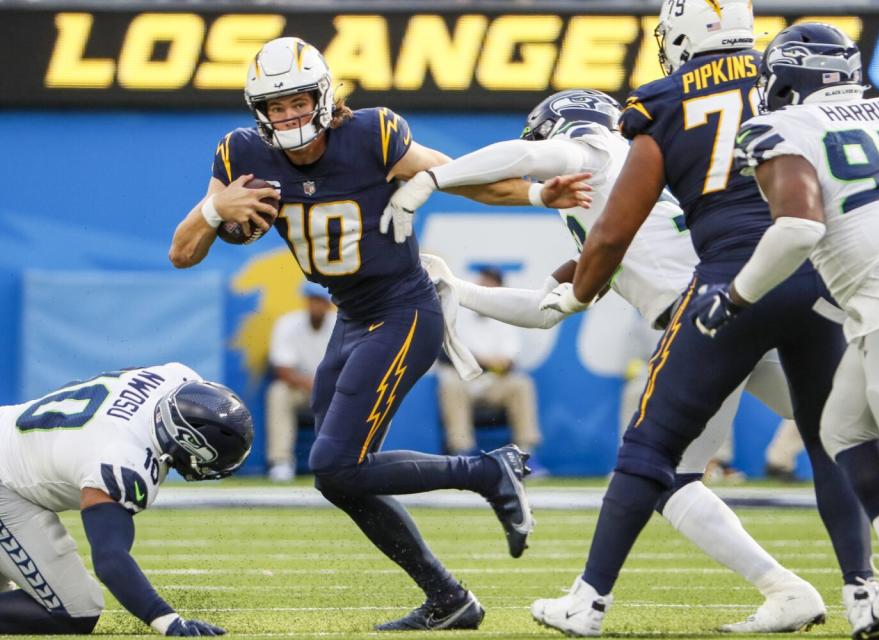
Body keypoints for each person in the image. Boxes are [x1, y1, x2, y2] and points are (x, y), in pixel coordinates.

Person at [167, 36, 585, 631]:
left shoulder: (371, 135)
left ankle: (489, 471)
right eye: (274, 104)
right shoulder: (241, 155)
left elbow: (463, 178)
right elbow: (182, 253)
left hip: (404, 309)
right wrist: (214, 211)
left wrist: (540, 194)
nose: (287, 114)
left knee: (336, 466)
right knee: (340, 477)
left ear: (323, 94)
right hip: (351, 315)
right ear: (258, 110)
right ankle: (449, 598)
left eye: (297, 100)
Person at [388, 89, 826, 632]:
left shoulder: (596, 149)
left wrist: (431, 179)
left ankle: (779, 589)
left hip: (702, 323)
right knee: (842, 431)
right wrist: (458, 289)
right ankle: (873, 570)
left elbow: (524, 160)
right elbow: (548, 309)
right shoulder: (620, 201)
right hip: (739, 308)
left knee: (665, 475)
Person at [524, 1, 876, 635]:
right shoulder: (780, 82)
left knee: (649, 450)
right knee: (836, 437)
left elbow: (612, 233)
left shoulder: (659, 100)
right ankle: (868, 586)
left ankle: (588, 600)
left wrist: (580, 286)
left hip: (726, 286)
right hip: (813, 269)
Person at [693, 22, 879, 638]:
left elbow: (796, 229)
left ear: (787, 78)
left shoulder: (784, 128)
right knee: (841, 428)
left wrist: (734, 297)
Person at [0, 363, 253, 635]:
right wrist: (166, 620)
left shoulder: (175, 377)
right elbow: (110, 559)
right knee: (76, 608)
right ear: (187, 440)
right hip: (6, 481)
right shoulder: (123, 459)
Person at [437, 267, 542, 458]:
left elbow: (508, 362)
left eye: (489, 285)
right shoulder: (457, 312)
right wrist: (485, 361)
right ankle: (462, 452)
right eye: (481, 284)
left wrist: (479, 360)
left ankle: (526, 453)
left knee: (521, 384)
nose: (483, 288)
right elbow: (446, 353)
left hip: (494, 382)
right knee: (449, 382)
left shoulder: (508, 319)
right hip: (463, 380)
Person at [266, 281, 336, 482]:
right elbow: (283, 370)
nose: (316, 305)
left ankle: (340, 461)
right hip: (302, 389)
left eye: (320, 301)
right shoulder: (288, 323)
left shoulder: (342, 324)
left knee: (354, 395)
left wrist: (327, 386)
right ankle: (281, 462)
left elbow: (349, 367)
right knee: (278, 392)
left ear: (328, 303)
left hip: (333, 389)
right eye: (312, 300)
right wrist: (313, 385)